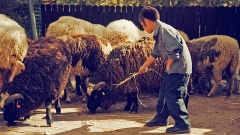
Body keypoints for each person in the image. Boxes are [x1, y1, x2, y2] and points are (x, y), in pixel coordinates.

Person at [138, 6, 192, 134]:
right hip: (174, 68)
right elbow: (156, 53)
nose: (143, 29)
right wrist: (145, 65)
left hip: (179, 68)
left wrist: (168, 65)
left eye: (142, 25)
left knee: (173, 95)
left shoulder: (165, 30)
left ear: (146, 21)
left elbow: (175, 50)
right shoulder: (159, 32)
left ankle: (183, 124)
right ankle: (161, 118)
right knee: (163, 92)